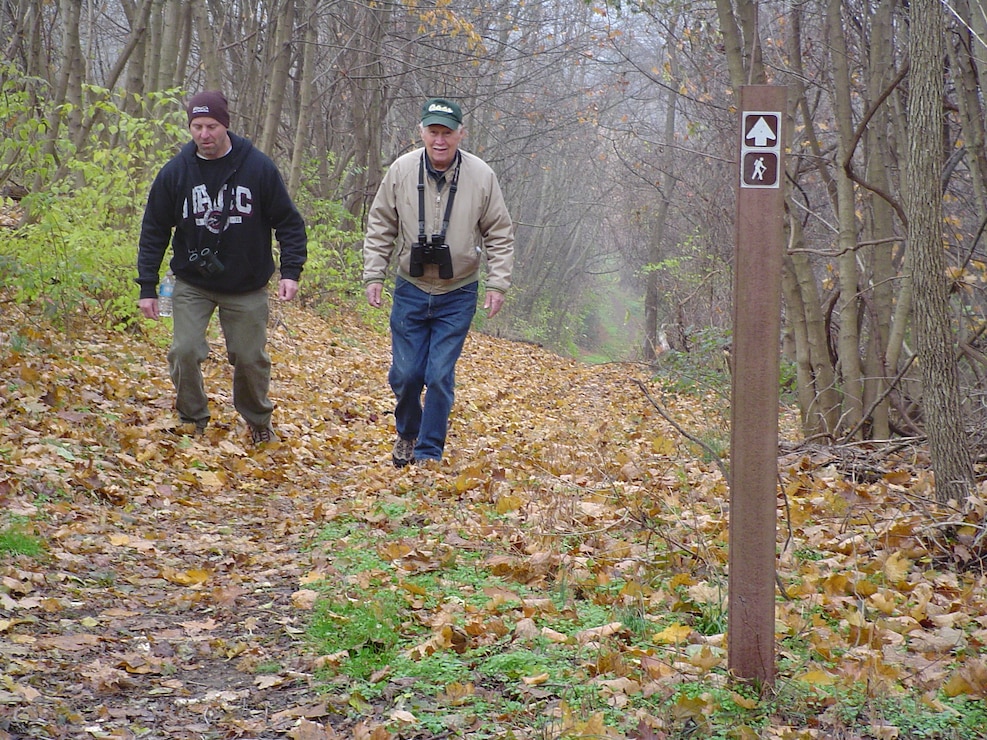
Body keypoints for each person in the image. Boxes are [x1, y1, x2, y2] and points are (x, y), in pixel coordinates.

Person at [136, 90, 307, 445]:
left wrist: (291, 271)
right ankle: (192, 418)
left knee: (249, 359)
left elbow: (288, 222)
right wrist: (147, 287)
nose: (204, 134)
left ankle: (258, 419)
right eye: (196, 126)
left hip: (246, 284)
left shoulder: (257, 167)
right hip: (192, 282)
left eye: (211, 126)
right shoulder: (175, 173)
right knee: (183, 350)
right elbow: (154, 230)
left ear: (225, 125)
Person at [363, 97, 515, 467]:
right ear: (422, 133)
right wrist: (374, 273)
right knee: (406, 374)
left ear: (461, 134)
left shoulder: (481, 176)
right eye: (433, 132)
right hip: (410, 287)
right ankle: (408, 434)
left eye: (447, 132)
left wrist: (497, 284)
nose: (440, 140)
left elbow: (499, 233)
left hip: (457, 290)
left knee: (440, 374)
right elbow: (381, 224)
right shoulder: (401, 170)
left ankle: (429, 453)